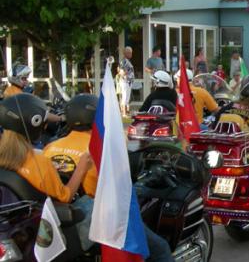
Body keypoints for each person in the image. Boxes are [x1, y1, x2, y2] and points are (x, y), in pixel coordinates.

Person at [41, 94, 174, 261]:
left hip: (59, 218)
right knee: (161, 249)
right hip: (98, 219)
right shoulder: (100, 148)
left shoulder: (50, 147)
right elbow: (123, 183)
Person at [118, 46, 135, 116]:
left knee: (127, 97)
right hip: (125, 81)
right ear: (126, 53)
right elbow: (120, 71)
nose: (131, 54)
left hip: (128, 82)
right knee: (125, 97)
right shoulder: (123, 61)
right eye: (130, 53)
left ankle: (126, 112)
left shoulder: (127, 61)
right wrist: (126, 73)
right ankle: (123, 113)